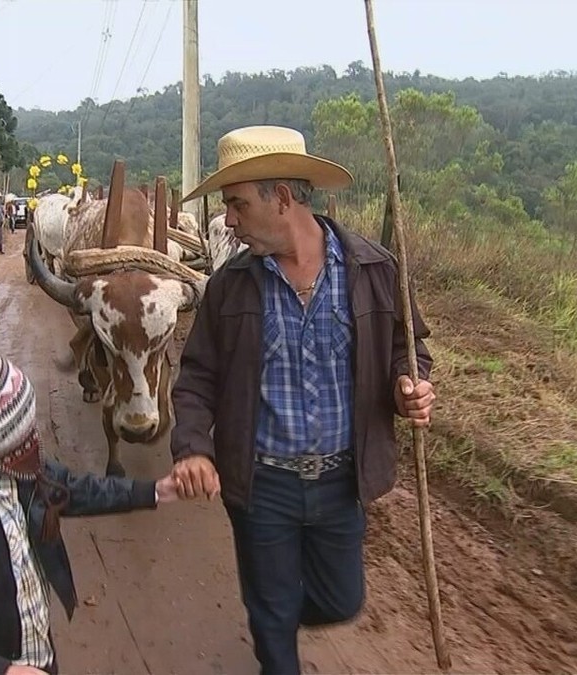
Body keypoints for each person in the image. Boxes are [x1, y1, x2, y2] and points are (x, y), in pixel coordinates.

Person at [170, 125, 435, 675]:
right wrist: (193, 447)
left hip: (342, 482)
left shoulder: (375, 270)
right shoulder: (229, 287)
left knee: (341, 600)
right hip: (262, 484)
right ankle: (274, 628)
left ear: (283, 198)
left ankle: (281, 609)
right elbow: (197, 376)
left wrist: (408, 386)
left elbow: (407, 351)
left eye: (238, 205)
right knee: (271, 620)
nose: (228, 221)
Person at [0, 349, 180, 675]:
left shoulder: (22, 473)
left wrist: (153, 490)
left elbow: (76, 489)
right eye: (24, 424)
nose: (33, 433)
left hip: (37, 654)